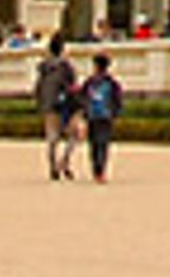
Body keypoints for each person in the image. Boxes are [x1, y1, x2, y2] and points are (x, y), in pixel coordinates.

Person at [35, 36, 80, 182]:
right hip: (65, 105)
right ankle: (64, 161)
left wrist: (41, 103)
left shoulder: (44, 68)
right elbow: (73, 86)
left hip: (48, 105)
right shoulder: (66, 67)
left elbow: (38, 88)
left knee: (52, 138)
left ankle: (53, 166)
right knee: (73, 135)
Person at [79, 54, 124, 182]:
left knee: (93, 145)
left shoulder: (90, 82)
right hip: (106, 116)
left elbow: (82, 98)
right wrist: (115, 113)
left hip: (92, 116)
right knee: (103, 144)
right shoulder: (112, 83)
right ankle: (101, 170)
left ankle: (96, 169)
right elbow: (117, 100)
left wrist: (84, 114)